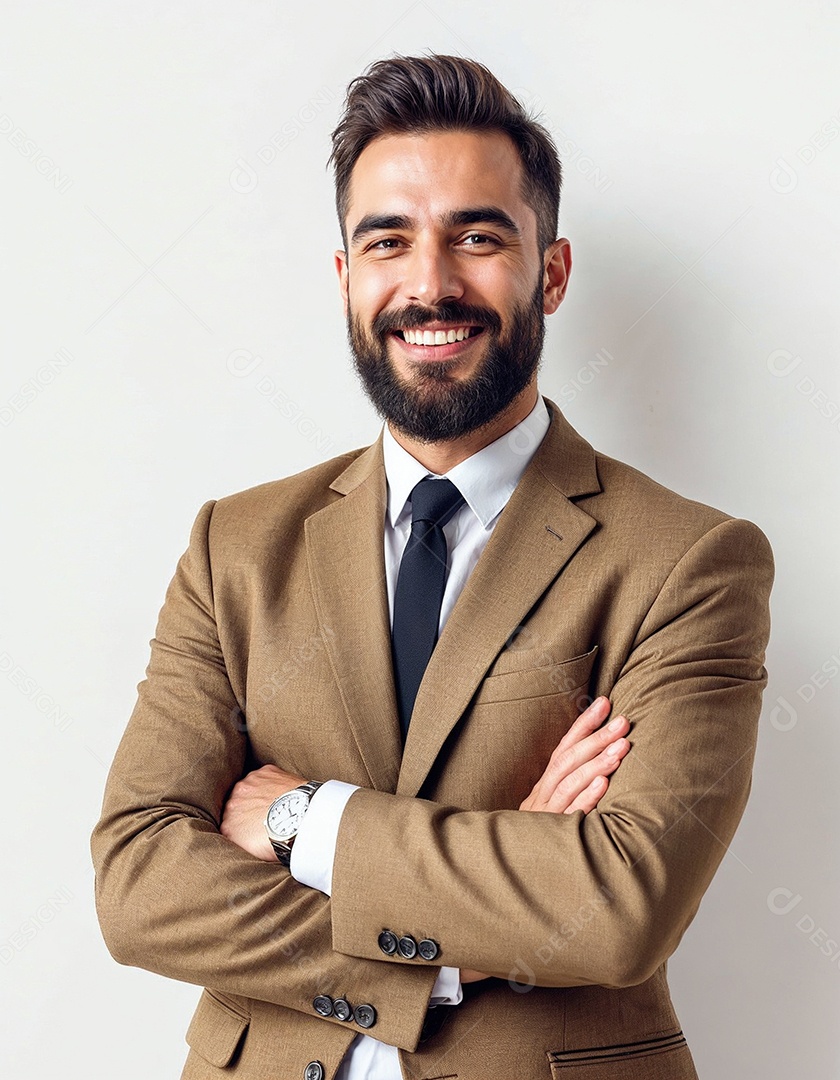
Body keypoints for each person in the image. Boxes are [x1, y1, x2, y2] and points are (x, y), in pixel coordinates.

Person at [91, 53, 774, 1080]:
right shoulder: (234, 546)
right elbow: (140, 881)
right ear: (346, 280)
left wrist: (302, 822)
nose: (430, 283)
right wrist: (474, 921)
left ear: (550, 270)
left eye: (478, 236)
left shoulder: (689, 563)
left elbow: (619, 903)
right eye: (388, 242)